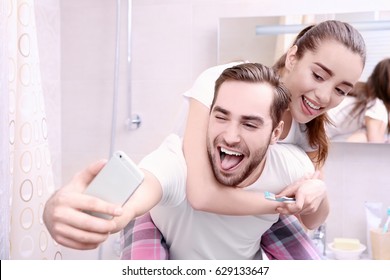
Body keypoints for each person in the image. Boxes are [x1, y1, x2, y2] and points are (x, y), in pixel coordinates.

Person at [122, 20, 366, 260]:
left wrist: (318, 193)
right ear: (293, 58)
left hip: (240, 229)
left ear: (276, 132)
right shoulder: (224, 82)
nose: (324, 96)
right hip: (172, 211)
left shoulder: (305, 137)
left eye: (341, 90)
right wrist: (279, 203)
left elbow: (312, 219)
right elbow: (201, 195)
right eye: (318, 75)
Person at [45, 63, 324, 259]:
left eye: (250, 124)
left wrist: (319, 193)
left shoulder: (290, 165)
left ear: (275, 134)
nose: (230, 136)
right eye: (221, 116)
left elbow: (316, 215)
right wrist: (60, 209)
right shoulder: (179, 162)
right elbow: (143, 188)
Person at [326, 58, 390, 143]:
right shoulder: (376, 105)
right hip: (314, 137)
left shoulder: (363, 95)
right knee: (364, 136)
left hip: (315, 131)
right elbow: (376, 145)